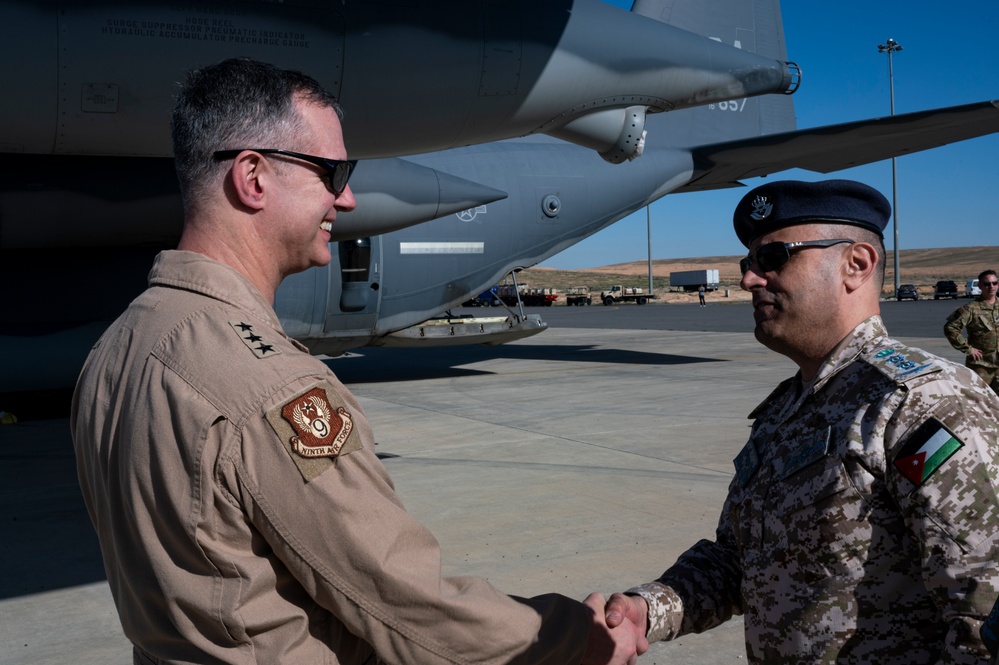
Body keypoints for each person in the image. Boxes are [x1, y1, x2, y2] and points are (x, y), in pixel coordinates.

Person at [71, 57, 643, 665]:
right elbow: (404, 601)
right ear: (253, 178)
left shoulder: (117, 349)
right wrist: (572, 636)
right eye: (331, 171)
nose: (346, 198)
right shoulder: (270, 386)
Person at [604, 179, 999, 663]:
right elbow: (739, 562)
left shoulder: (924, 402)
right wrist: (648, 611)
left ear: (856, 264)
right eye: (747, 264)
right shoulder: (786, 408)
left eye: (773, 258)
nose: (750, 279)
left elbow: (984, 606)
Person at [945, 269, 999, 393]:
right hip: (981, 366)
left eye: (994, 283)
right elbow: (950, 328)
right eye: (987, 284)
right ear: (980, 286)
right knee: (977, 403)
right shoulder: (971, 308)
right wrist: (968, 349)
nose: (991, 286)